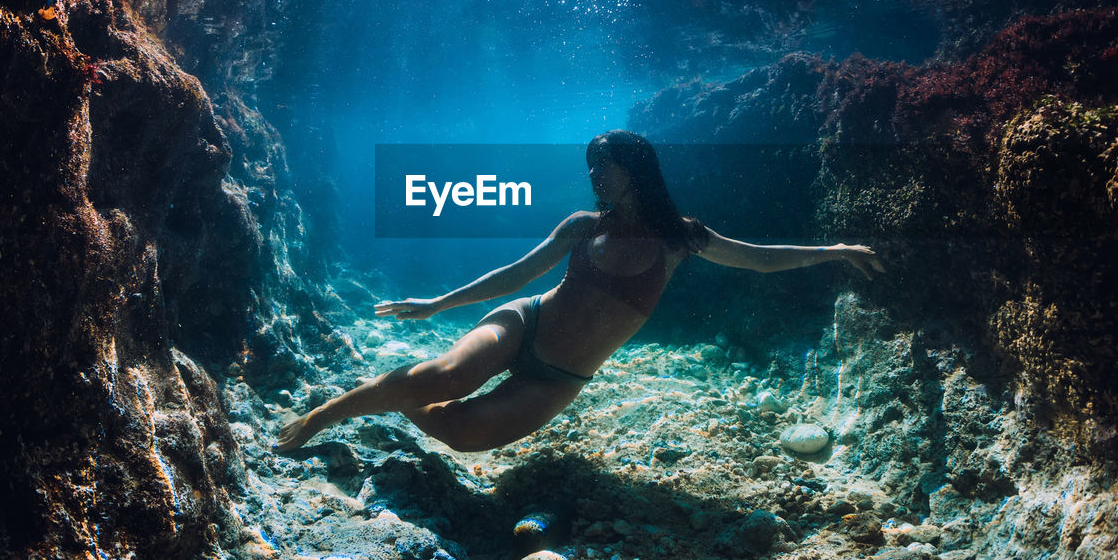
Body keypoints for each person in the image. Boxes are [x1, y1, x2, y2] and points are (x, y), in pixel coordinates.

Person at [275, 130, 883, 453]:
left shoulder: (682, 238)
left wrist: (830, 250)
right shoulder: (580, 226)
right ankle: (324, 415)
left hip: (560, 378)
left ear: (636, 170)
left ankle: (395, 399)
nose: (595, 175)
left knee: (462, 436)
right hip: (525, 324)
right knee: (445, 377)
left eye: (606, 165)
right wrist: (438, 304)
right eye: (592, 166)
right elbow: (515, 276)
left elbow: (757, 260)